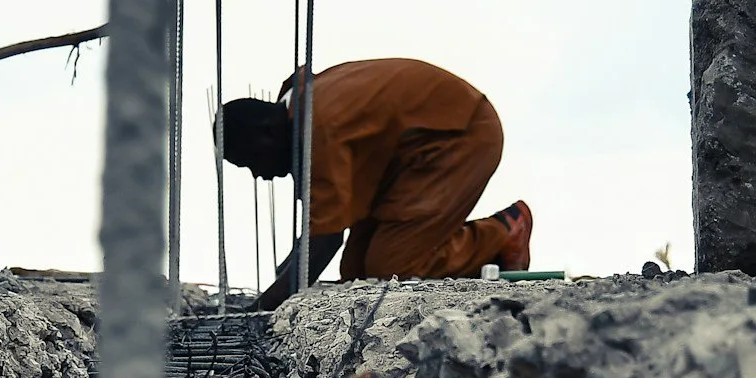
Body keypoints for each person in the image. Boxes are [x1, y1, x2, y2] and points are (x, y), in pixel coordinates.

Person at [220, 57, 533, 310]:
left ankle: (502, 231)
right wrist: (289, 268)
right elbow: (320, 225)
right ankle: (474, 256)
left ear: (266, 133)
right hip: (408, 156)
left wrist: (264, 305)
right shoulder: (300, 109)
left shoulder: (315, 129)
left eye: (249, 161)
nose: (258, 175)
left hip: (459, 135)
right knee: (357, 274)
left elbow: (326, 237)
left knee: (391, 270)